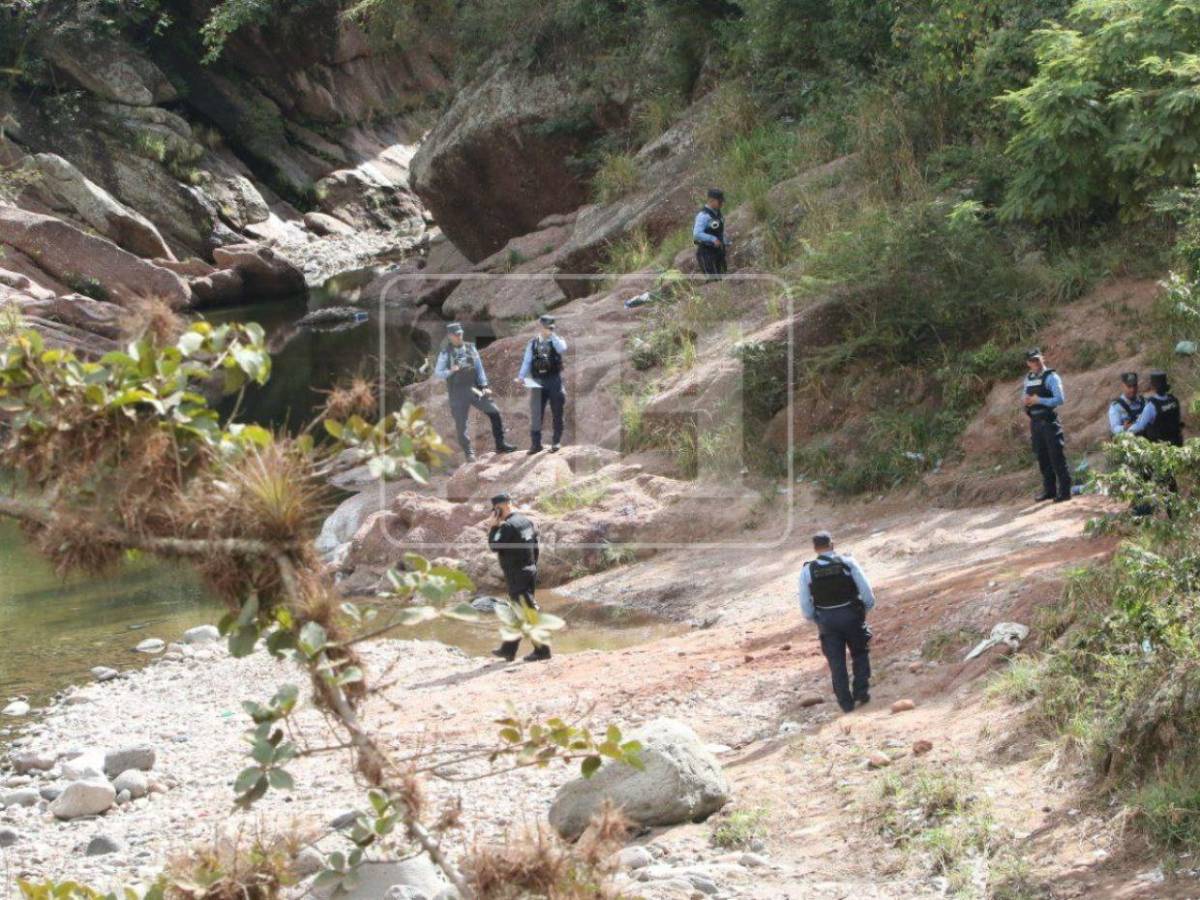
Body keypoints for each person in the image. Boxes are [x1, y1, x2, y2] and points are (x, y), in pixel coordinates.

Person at [798, 531, 875, 713]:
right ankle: (861, 692)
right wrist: (863, 609)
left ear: (815, 549)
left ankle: (846, 704)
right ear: (832, 544)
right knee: (860, 653)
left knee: (836, 662)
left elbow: (805, 604)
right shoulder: (847, 563)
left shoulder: (807, 571)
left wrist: (816, 618)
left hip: (826, 620)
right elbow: (867, 593)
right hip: (851, 615)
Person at [434, 323, 516, 462]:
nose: (459, 336)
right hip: (457, 391)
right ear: (449, 336)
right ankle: (468, 452)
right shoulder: (445, 352)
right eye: (456, 334)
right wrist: (450, 371)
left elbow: (479, 368)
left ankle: (500, 444)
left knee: (494, 412)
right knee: (461, 424)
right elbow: (438, 373)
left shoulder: (471, 347)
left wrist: (484, 385)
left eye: (460, 333)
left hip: (474, 388)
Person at [486, 493, 550, 663]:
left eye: (495, 510)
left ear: (499, 508)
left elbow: (494, 545)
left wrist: (493, 527)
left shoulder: (507, 526)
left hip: (517, 575)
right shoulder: (525, 521)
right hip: (528, 571)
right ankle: (508, 650)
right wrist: (531, 566)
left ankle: (543, 651)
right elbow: (535, 546)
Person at [1022, 348, 1072, 503]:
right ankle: (1049, 490)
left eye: (1037, 359)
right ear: (1028, 363)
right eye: (1032, 361)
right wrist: (1027, 402)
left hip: (1049, 422)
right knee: (1043, 458)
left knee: (1057, 457)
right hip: (1035, 423)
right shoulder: (1028, 378)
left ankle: (1065, 492)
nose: (1035, 363)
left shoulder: (1051, 377)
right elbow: (1024, 395)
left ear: (1042, 359)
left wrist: (1039, 401)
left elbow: (1060, 399)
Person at [516, 314, 568, 455]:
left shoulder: (557, 340)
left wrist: (552, 335)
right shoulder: (532, 343)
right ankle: (535, 444)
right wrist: (521, 377)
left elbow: (562, 349)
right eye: (546, 327)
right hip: (537, 381)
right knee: (536, 413)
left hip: (554, 379)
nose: (548, 329)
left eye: (550, 327)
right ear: (540, 327)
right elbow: (527, 361)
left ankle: (556, 442)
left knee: (557, 410)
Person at [1130, 370, 1184, 446]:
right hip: (1177, 443)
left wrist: (1126, 430)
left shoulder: (1151, 406)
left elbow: (1139, 426)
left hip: (1160, 447)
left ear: (1152, 387)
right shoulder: (1174, 400)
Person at [693, 188, 727, 277]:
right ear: (711, 201)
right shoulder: (703, 216)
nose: (722, 204)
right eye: (719, 201)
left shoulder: (717, 213)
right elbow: (697, 233)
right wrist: (713, 239)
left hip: (718, 251)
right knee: (713, 281)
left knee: (723, 277)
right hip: (706, 253)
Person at [1108, 372, 1146, 436]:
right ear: (1123, 386)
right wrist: (1124, 428)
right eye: (1129, 386)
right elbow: (1114, 429)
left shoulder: (1144, 402)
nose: (1132, 389)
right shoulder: (1116, 406)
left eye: (1134, 385)